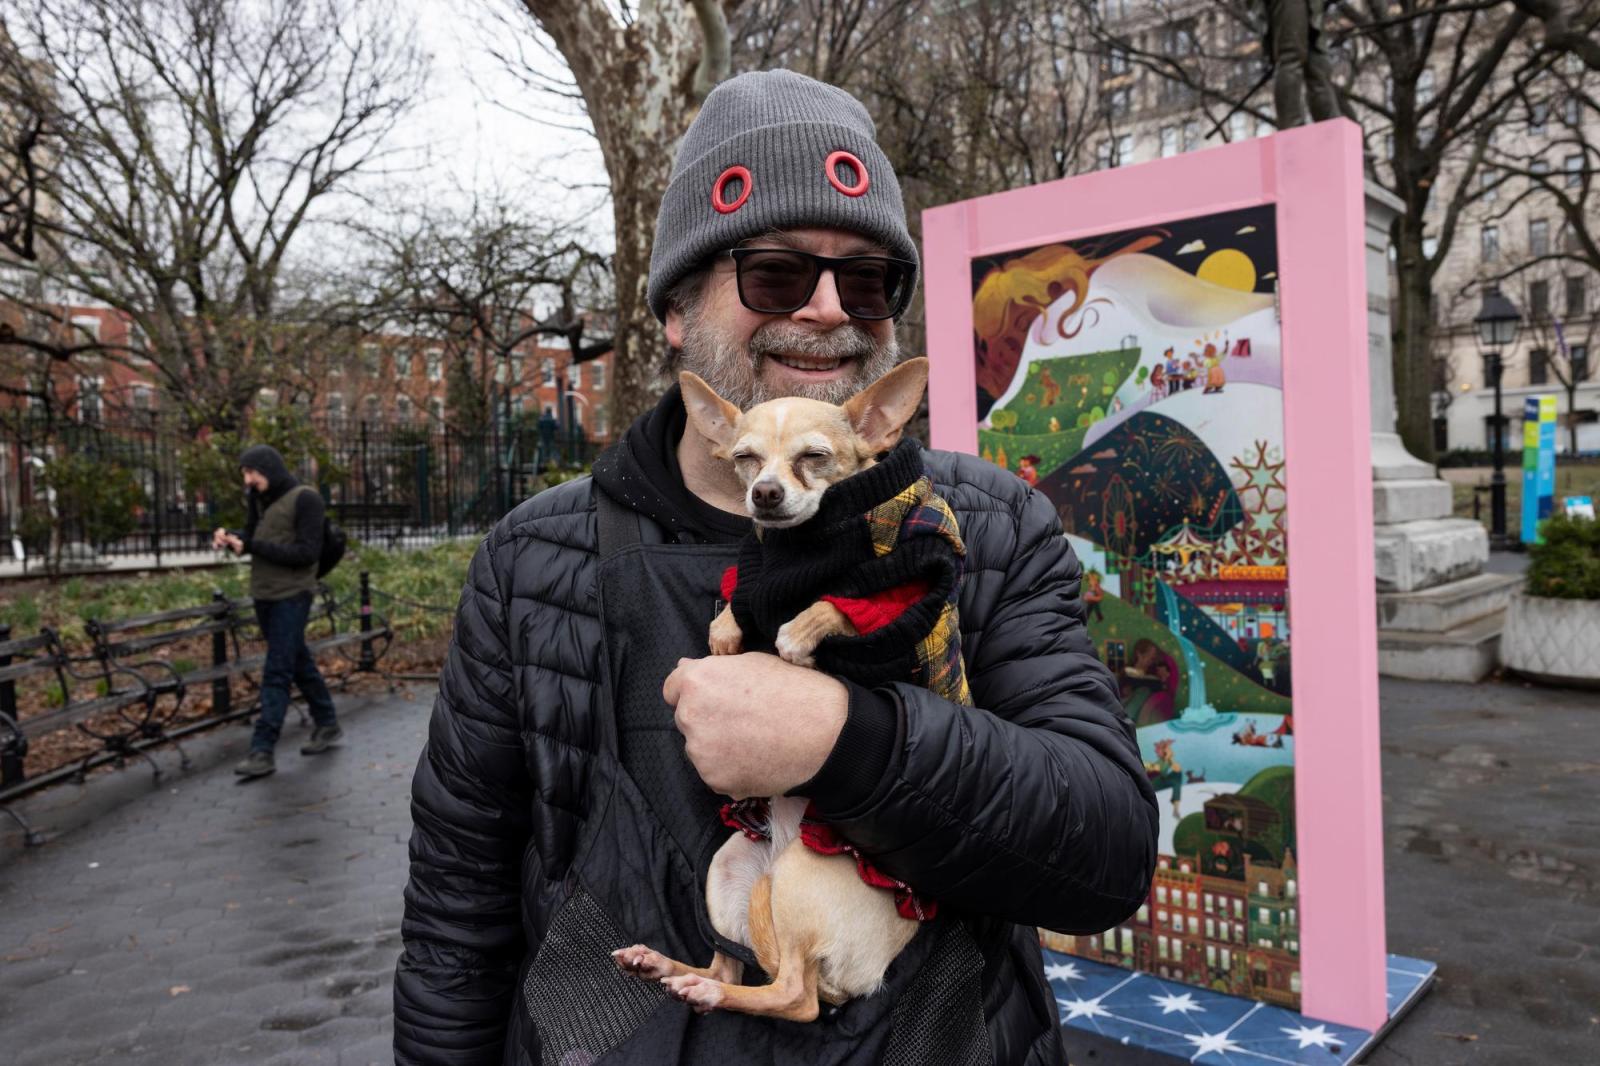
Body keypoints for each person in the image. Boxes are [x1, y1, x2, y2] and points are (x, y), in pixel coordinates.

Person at [394, 70, 1158, 1066]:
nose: (831, 309)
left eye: (870, 278)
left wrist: (857, 744)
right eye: (776, 274)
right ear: (677, 311)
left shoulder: (987, 524)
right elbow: (458, 912)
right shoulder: (533, 561)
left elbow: (1102, 856)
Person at [213, 445, 341, 779]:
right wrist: (233, 539)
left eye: (250, 472)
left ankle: (262, 749)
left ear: (267, 469)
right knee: (296, 661)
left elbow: (306, 552)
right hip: (264, 595)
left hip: (292, 595)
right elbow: (255, 538)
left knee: (277, 670)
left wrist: (252, 545)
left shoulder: (306, 499)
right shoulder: (259, 500)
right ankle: (327, 722)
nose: (247, 479)